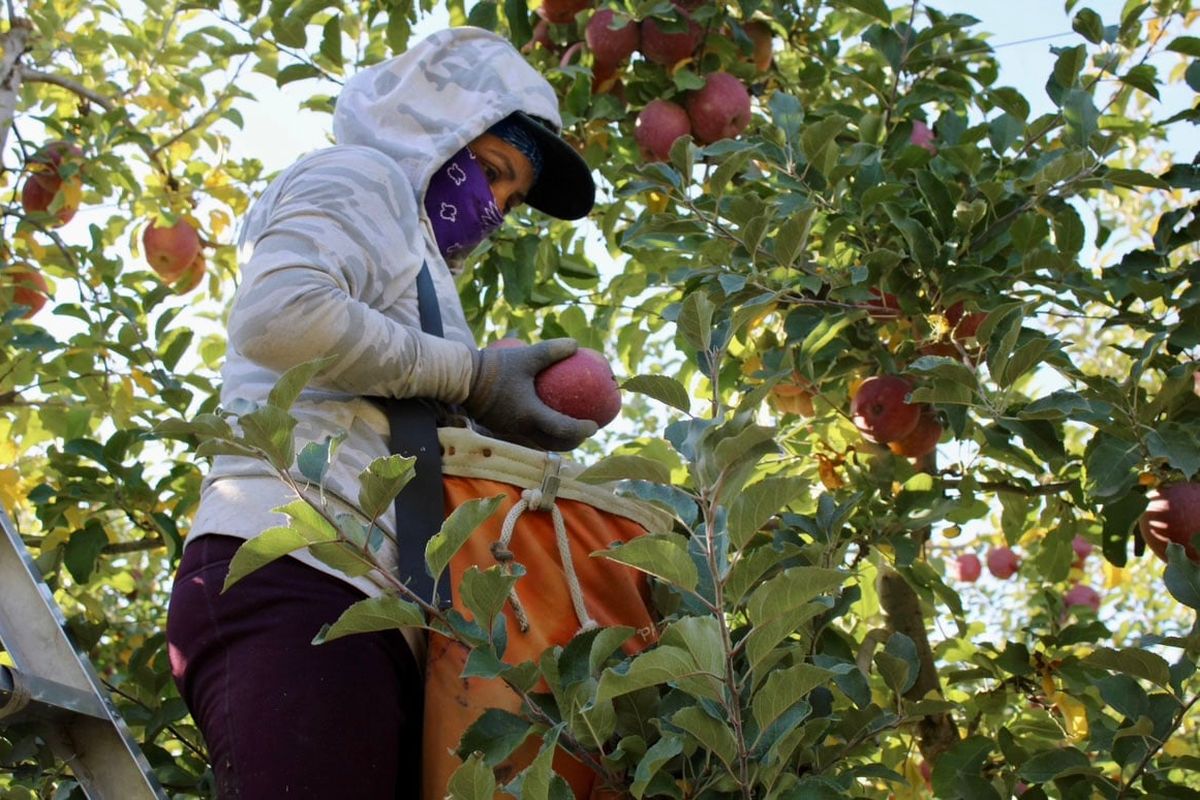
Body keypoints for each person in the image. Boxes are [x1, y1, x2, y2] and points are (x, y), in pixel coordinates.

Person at [165, 27, 598, 799]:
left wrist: (492, 421)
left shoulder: (426, 276)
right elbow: (282, 316)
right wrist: (470, 375)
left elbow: (405, 410)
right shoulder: (361, 176)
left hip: (373, 601)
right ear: (434, 130)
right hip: (293, 564)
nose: (496, 209)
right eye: (493, 172)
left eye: (512, 198)